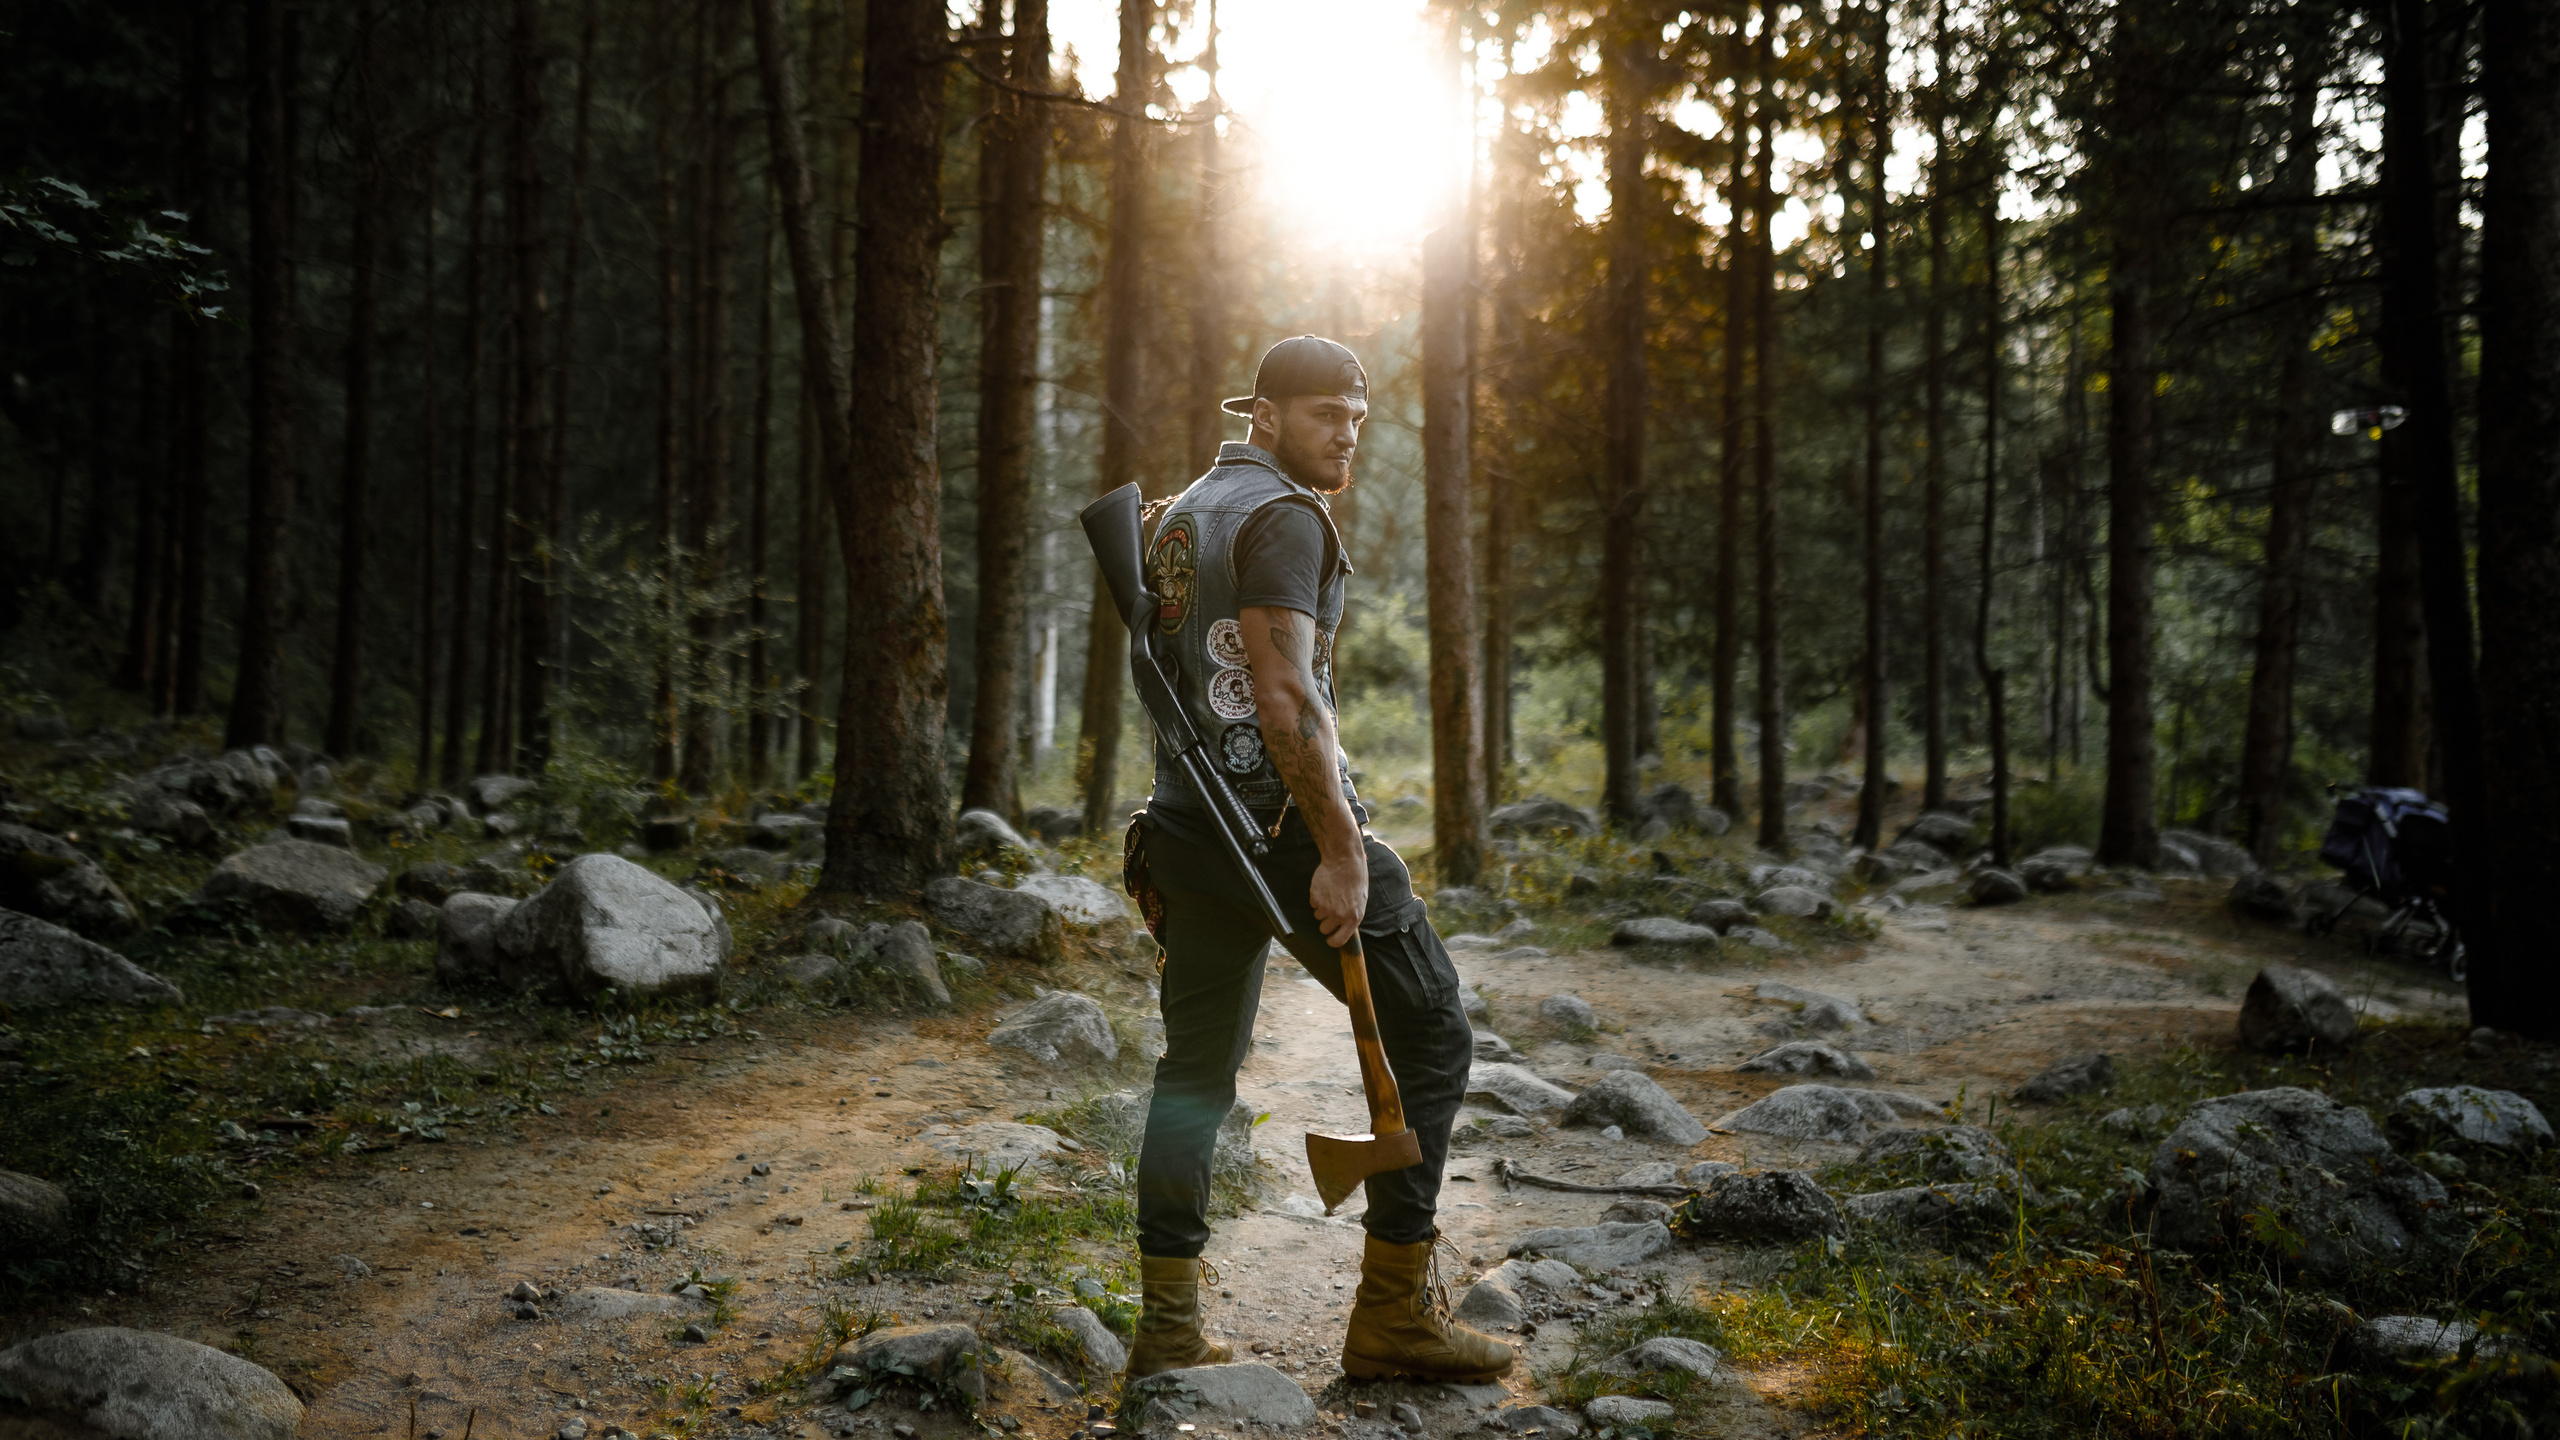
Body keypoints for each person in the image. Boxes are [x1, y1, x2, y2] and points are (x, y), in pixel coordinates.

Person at [1119, 336, 1512, 1385]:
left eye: (1356, 414)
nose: (1345, 432)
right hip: (1282, 828)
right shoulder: (1282, 517)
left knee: (1192, 1073)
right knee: (1431, 1035)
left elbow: (1173, 668)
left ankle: (1166, 1325)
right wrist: (1341, 849)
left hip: (1185, 827)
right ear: (1266, 415)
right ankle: (1393, 1317)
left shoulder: (1175, 516)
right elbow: (1283, 696)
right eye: (1324, 412)